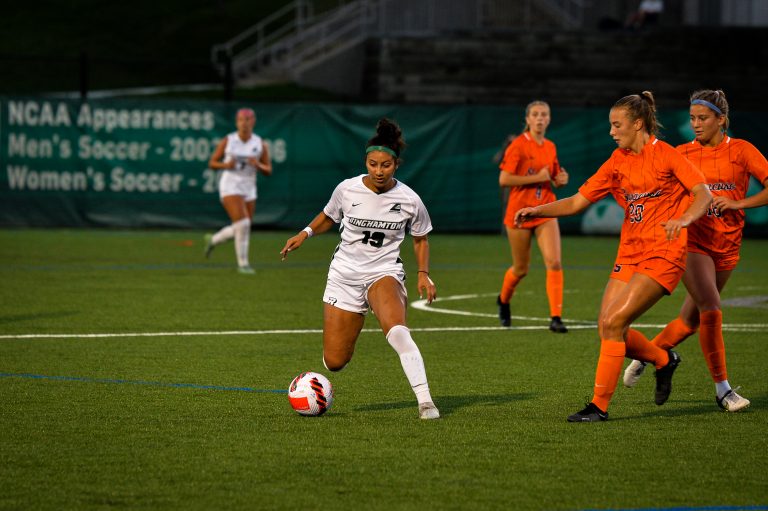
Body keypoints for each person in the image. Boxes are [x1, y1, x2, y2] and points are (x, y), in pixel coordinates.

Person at [515, 91, 713, 422]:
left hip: (664, 253)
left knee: (614, 323)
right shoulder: (618, 160)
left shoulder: (667, 155)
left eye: (617, 125)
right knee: (606, 327)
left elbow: (703, 194)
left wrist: (684, 219)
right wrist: (538, 209)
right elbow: (577, 202)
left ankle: (599, 406)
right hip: (630, 252)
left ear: (638, 124)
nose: (611, 131)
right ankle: (663, 360)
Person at [279, 118, 440, 420]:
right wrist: (305, 233)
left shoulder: (409, 199)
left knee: (398, 332)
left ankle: (426, 402)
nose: (379, 171)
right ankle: (355, 318)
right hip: (344, 275)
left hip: (384, 272)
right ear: (366, 162)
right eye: (373, 164)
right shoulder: (347, 189)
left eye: (386, 165)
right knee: (335, 361)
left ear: (396, 165)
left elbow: (420, 238)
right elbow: (329, 216)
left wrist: (423, 274)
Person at [623, 89, 768, 412]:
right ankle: (723, 390)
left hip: (727, 246)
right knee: (712, 309)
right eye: (692, 118)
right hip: (692, 242)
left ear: (721, 119)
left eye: (702, 118)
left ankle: (648, 355)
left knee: (690, 321)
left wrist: (739, 203)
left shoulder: (742, 150)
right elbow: (650, 160)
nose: (696, 124)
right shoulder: (683, 152)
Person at [496, 100, 570, 333]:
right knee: (521, 269)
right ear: (527, 119)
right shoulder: (518, 145)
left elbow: (554, 177)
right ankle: (503, 300)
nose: (540, 118)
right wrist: (537, 178)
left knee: (554, 262)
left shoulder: (550, 146)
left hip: (545, 210)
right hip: (519, 214)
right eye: (535, 114)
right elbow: (504, 179)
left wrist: (561, 179)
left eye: (544, 114)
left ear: (549, 119)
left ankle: (556, 318)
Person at [204, 108, 272, 274]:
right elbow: (212, 163)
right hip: (230, 184)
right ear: (237, 122)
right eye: (241, 119)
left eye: (248, 119)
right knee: (243, 224)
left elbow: (268, 170)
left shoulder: (259, 143)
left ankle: (213, 239)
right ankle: (243, 264)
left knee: (242, 227)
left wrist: (257, 165)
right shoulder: (229, 140)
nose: (244, 123)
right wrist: (225, 165)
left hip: (249, 186)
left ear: (253, 122)